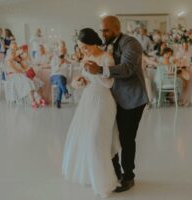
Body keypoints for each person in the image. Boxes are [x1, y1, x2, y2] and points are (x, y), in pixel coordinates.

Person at [84, 15, 148, 192]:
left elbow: (127, 68)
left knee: (126, 139)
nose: (102, 33)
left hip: (132, 99)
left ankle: (128, 176)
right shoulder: (105, 44)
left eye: (106, 30)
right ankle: (114, 173)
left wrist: (100, 69)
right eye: (101, 30)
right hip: (110, 100)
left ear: (116, 29)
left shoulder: (131, 43)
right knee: (108, 136)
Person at [62, 28, 120, 198]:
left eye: (85, 47)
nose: (83, 51)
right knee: (86, 138)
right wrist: (79, 81)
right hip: (88, 100)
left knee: (97, 140)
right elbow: (83, 78)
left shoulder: (106, 57)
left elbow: (109, 84)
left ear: (94, 43)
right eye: (80, 47)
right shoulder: (86, 58)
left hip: (103, 101)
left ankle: (104, 182)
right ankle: (91, 176)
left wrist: (97, 72)